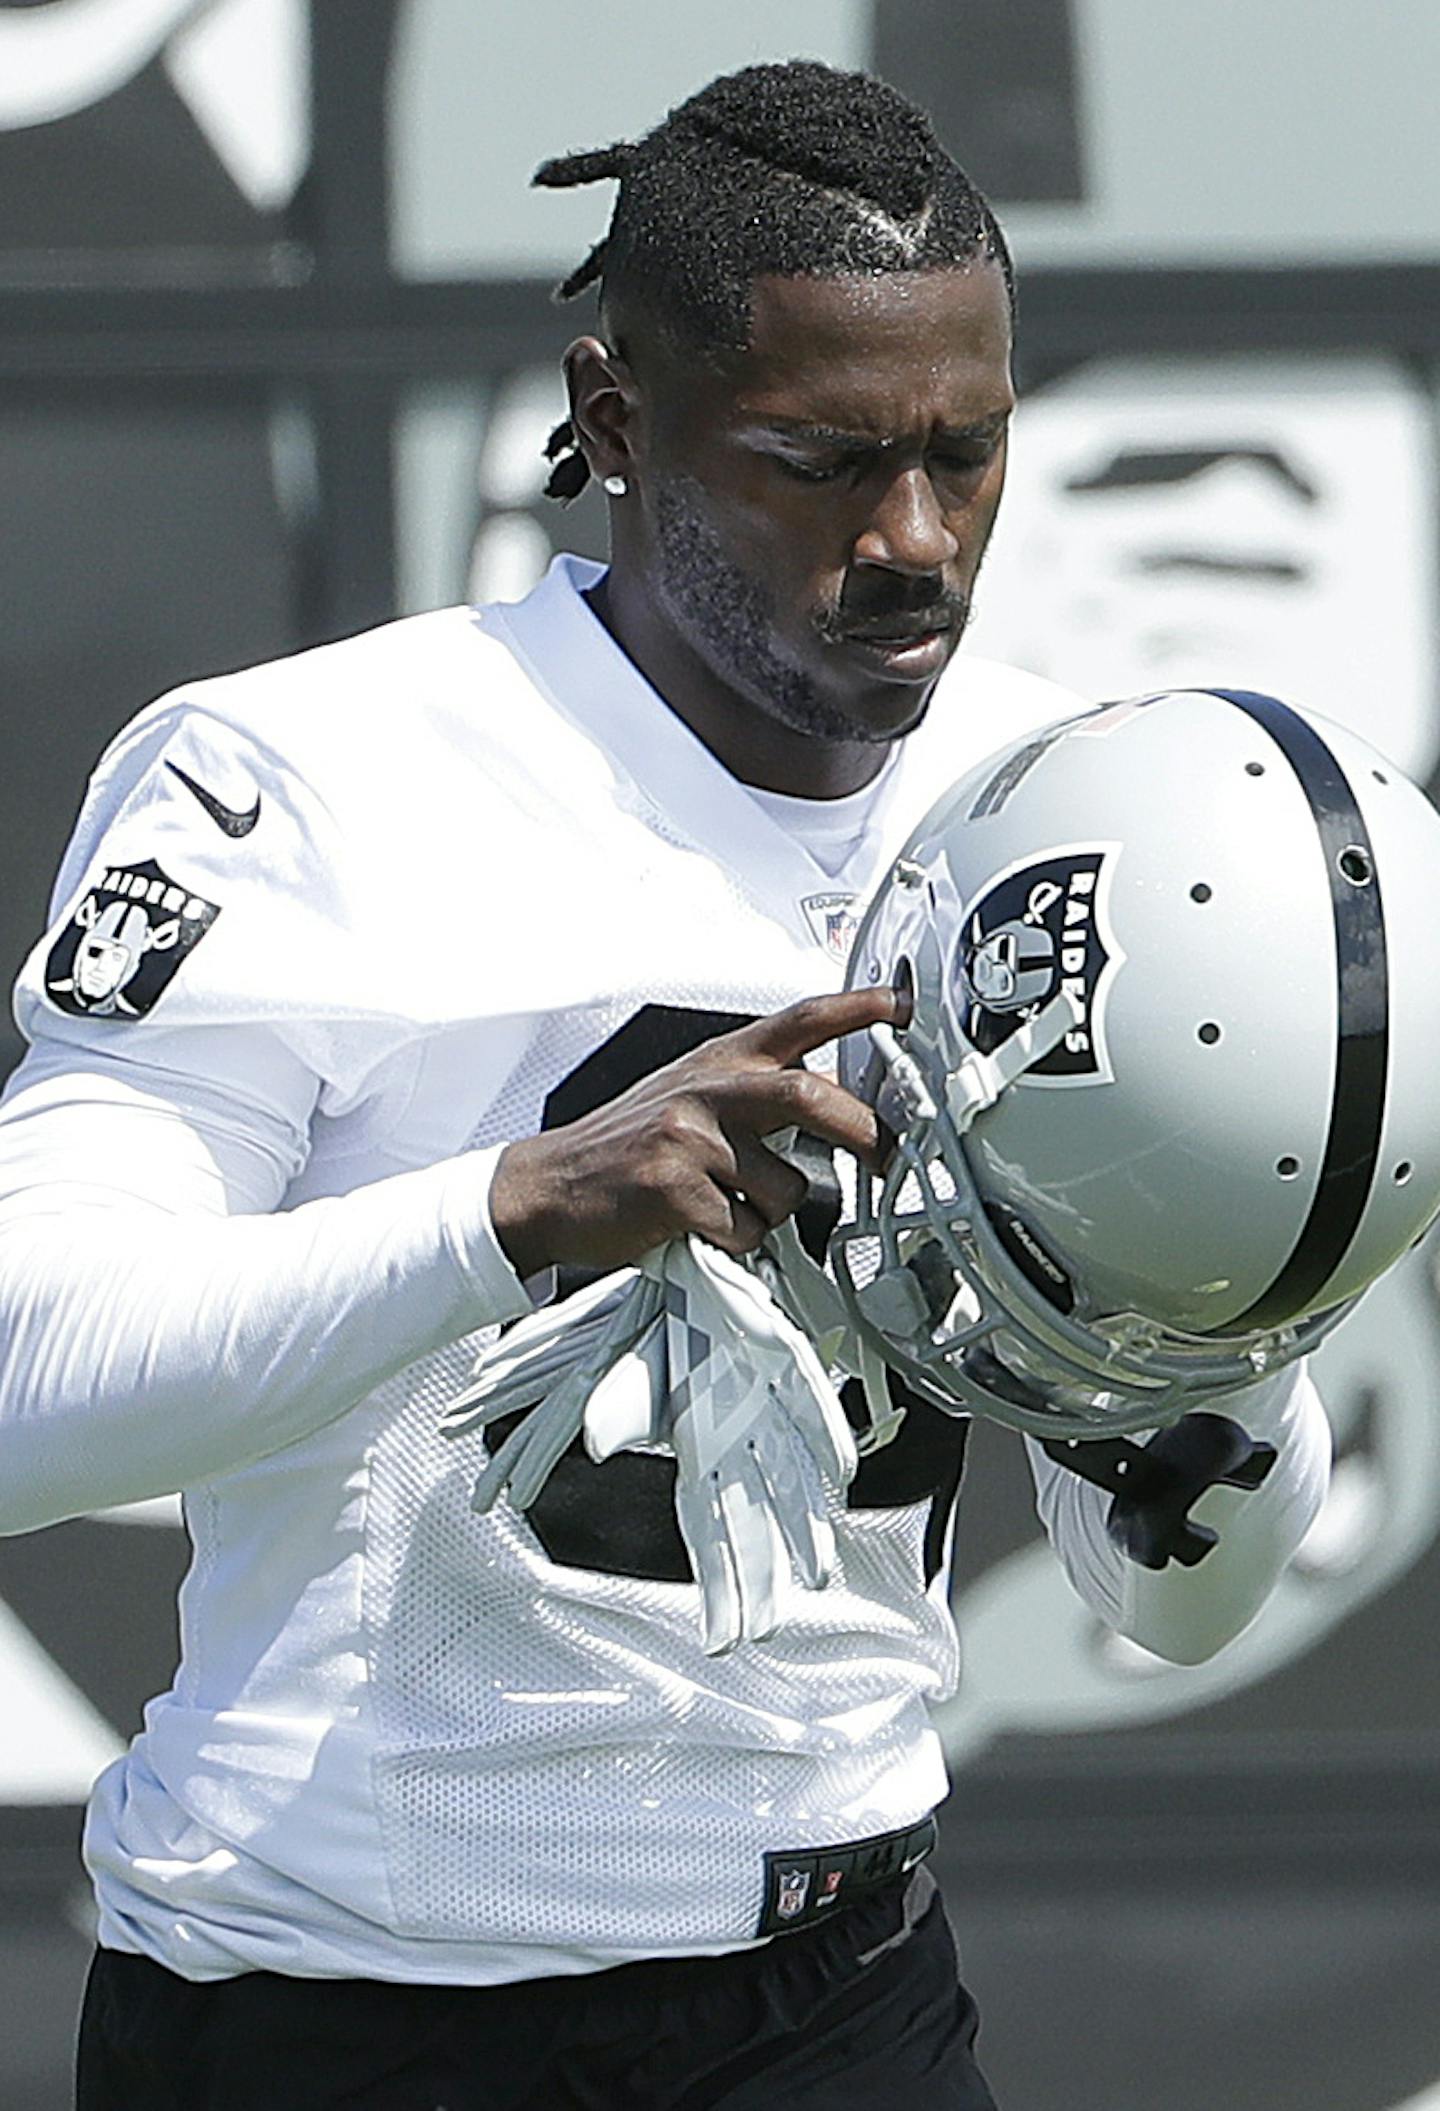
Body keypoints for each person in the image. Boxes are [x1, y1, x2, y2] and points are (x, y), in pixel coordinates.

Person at [0, 60, 1328, 2111]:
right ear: (617, 420)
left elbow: (1176, 1608)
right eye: (821, 460)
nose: (914, 539)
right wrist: (512, 1210)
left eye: (966, 458)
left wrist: (1221, 1329)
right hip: (322, 2005)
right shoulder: (296, 779)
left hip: (835, 1997)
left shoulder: (1084, 814)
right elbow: (23, 1398)